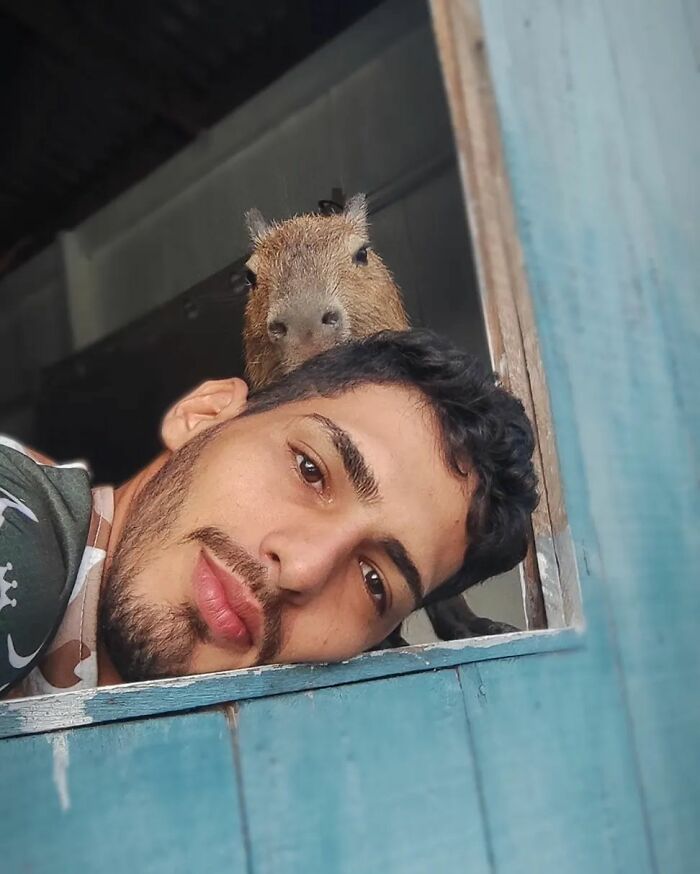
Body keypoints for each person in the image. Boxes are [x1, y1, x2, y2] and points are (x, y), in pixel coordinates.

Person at [0, 329, 538, 698]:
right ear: (203, 415)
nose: (303, 568)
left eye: (374, 582)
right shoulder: (23, 541)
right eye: (310, 469)